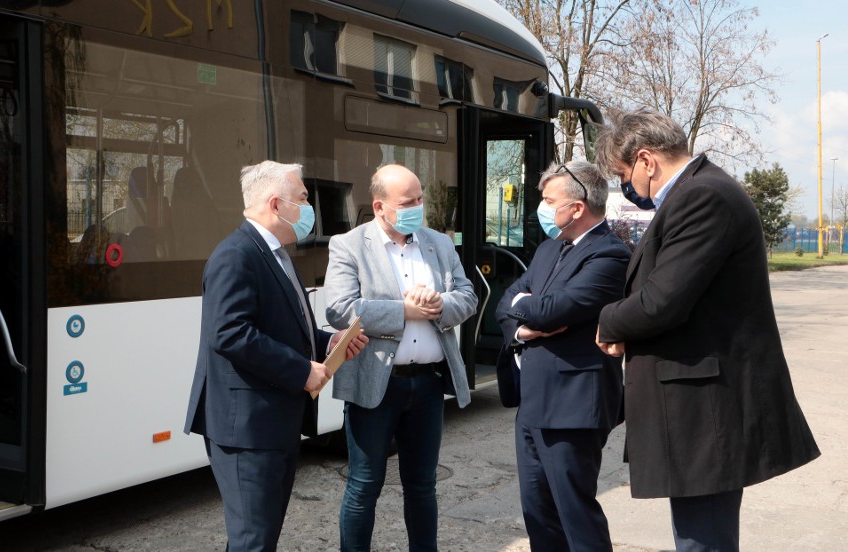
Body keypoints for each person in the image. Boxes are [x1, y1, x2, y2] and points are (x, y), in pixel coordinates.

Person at [593, 109, 820, 551]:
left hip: (705, 409)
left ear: (646, 160)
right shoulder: (701, 190)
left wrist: (608, 321)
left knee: (704, 540)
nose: (628, 186)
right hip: (695, 403)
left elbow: (661, 301)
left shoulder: (703, 197)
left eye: (625, 174)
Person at [183, 161, 368, 552]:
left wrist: (326, 344)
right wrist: (302, 371)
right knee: (253, 540)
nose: (308, 207)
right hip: (248, 429)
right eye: (302, 198)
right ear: (276, 204)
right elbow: (229, 333)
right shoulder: (235, 255)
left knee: (261, 538)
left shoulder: (276, 254)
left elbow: (280, 328)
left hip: (272, 423)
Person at [323, 164, 477, 552]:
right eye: (408, 202)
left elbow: (469, 296)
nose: (417, 208)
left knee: (423, 486)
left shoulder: (438, 244)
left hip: (427, 385)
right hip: (376, 383)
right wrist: (403, 310)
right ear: (380, 206)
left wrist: (440, 303)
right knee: (364, 485)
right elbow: (340, 309)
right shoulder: (349, 245)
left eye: (420, 199)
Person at [495, 161, 631, 551]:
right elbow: (507, 304)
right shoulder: (549, 249)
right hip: (534, 401)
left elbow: (552, 311)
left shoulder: (608, 255)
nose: (541, 207)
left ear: (576, 207)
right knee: (538, 513)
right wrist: (523, 325)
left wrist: (530, 307)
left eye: (548, 200)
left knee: (574, 513)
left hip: (573, 407)